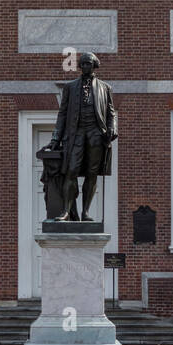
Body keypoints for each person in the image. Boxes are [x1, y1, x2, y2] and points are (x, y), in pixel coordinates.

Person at [48, 51, 117, 221]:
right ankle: (66, 211)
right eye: (83, 64)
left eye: (89, 63)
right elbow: (62, 114)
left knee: (92, 174)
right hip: (76, 133)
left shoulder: (105, 88)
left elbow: (111, 113)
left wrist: (112, 127)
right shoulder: (70, 87)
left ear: (94, 65)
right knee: (71, 171)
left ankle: (85, 212)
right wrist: (56, 138)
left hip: (96, 133)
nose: (85, 66)